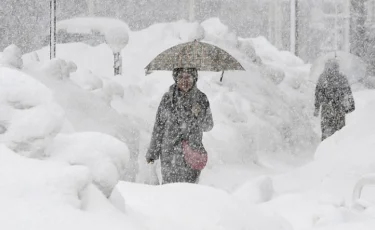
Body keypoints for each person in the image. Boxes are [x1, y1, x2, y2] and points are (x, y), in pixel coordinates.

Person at [146, 67, 214, 184]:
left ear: (194, 78)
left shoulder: (201, 99)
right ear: (175, 79)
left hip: (192, 153)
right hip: (169, 154)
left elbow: (208, 126)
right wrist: (153, 152)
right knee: (169, 191)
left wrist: (199, 114)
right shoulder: (167, 99)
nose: (184, 80)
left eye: (188, 77)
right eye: (180, 77)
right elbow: (159, 127)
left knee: (189, 193)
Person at [314, 59, 355, 141]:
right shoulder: (342, 77)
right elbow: (348, 93)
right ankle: (338, 148)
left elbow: (318, 94)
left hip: (327, 109)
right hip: (339, 109)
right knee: (339, 131)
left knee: (326, 130)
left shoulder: (322, 77)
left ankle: (325, 148)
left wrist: (317, 107)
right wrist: (350, 106)